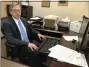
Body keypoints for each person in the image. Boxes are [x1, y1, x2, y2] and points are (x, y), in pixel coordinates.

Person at [2, 3, 46, 67]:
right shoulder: (7, 23)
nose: (18, 13)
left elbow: (30, 29)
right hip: (20, 46)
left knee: (43, 49)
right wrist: (27, 44)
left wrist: (38, 33)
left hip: (29, 41)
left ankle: (43, 62)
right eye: (15, 10)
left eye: (19, 10)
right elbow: (10, 39)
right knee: (35, 55)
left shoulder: (23, 19)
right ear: (10, 12)